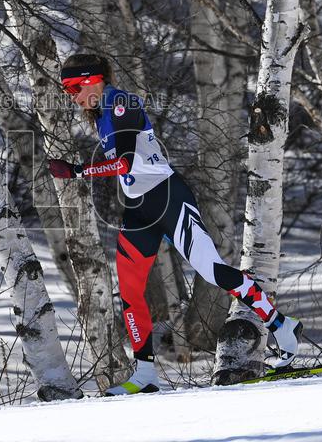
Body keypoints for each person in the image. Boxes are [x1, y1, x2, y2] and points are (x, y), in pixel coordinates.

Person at [47, 53, 302, 396]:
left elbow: (125, 163)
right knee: (131, 289)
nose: (72, 95)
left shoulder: (120, 102)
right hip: (138, 209)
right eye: (67, 90)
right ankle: (145, 375)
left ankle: (282, 325)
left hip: (168, 198)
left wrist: (78, 171)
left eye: (75, 86)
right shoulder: (101, 114)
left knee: (211, 271)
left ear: (95, 79)